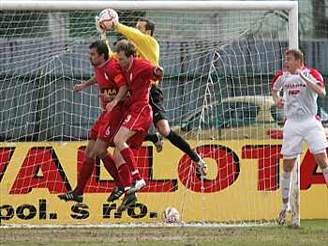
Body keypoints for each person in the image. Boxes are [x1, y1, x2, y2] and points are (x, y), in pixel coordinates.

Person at [99, 14, 208, 179]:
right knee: (119, 134)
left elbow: (134, 36)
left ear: (148, 32)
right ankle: (130, 181)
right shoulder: (130, 54)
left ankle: (196, 159)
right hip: (134, 95)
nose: (136, 31)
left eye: (139, 28)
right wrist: (103, 35)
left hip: (151, 93)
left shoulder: (150, 44)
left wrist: (116, 25)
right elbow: (111, 58)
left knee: (165, 130)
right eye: (135, 28)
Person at [58, 40, 127, 202]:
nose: (89, 57)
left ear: (102, 56)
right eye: (89, 54)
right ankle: (78, 192)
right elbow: (98, 77)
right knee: (89, 153)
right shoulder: (99, 67)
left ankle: (122, 184)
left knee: (100, 150)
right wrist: (84, 85)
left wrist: (113, 100)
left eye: (93, 54)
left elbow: (124, 87)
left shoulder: (113, 67)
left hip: (116, 113)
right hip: (105, 114)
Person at [271, 49, 328, 228]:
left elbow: (321, 92)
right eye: (285, 59)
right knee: (287, 165)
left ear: (298, 60)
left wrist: (303, 77)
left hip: (311, 122)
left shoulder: (311, 73)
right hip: (292, 124)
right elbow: (274, 89)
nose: (285, 62)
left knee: (322, 159)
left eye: (289, 59)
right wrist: (277, 99)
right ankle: (285, 205)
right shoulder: (283, 75)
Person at [110, 40, 163, 212]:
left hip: (141, 111)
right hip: (134, 110)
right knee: (118, 155)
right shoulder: (124, 67)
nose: (120, 62)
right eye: (118, 59)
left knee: (118, 139)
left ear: (132, 57)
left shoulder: (142, 65)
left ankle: (137, 178)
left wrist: (157, 71)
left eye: (123, 59)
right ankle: (129, 194)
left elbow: (155, 72)